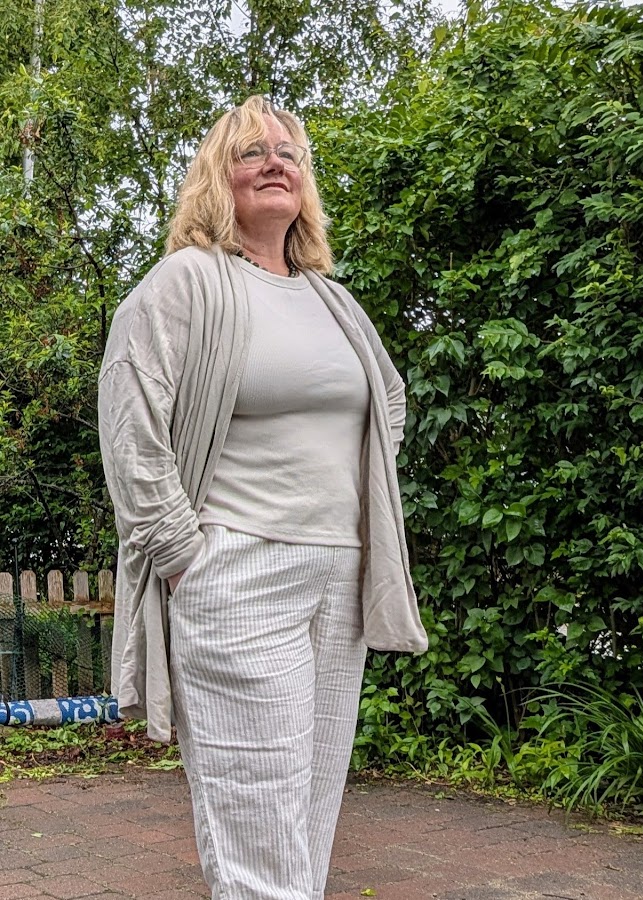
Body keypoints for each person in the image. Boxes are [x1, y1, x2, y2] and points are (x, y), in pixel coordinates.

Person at [97, 94, 428, 900]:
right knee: (255, 819)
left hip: (340, 577)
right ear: (219, 177)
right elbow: (131, 417)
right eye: (253, 152)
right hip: (237, 571)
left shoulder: (329, 298)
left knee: (307, 815)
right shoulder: (187, 282)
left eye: (289, 152)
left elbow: (387, 400)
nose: (276, 162)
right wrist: (184, 555)